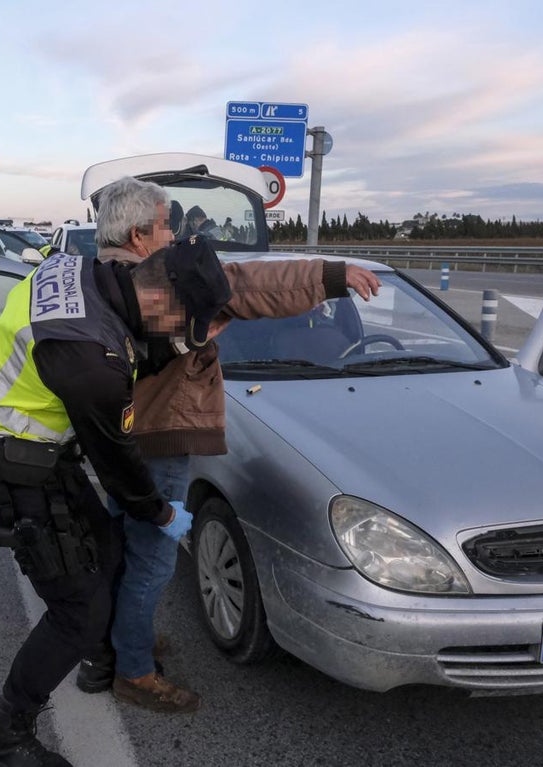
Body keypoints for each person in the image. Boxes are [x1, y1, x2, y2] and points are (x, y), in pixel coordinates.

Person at [76, 176, 380, 712]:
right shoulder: (166, 282)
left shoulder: (93, 278)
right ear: (141, 233)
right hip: (160, 439)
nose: (174, 234)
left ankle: (123, 645)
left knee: (120, 546)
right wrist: (333, 275)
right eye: (167, 224)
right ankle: (135, 672)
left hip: (114, 437)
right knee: (152, 560)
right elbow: (254, 285)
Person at [0, 237, 232, 767]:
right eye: (183, 326)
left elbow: (129, 343)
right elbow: (121, 470)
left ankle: (103, 649)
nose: (183, 337)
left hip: (26, 440)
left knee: (105, 550)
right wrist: (164, 513)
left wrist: (175, 345)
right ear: (160, 299)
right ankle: (6, 737)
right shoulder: (93, 360)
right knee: (77, 609)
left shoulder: (82, 270)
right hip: (10, 461)